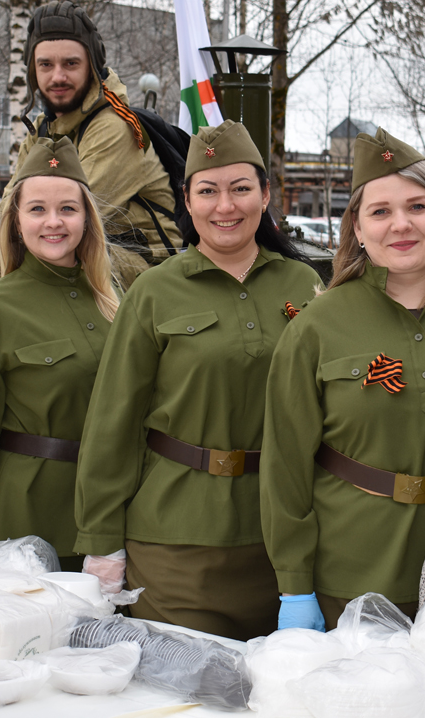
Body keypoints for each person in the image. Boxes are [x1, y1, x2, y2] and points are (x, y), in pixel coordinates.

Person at [74, 120, 321, 641]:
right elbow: (112, 422)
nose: (225, 206)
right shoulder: (154, 292)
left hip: (282, 544)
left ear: (266, 195)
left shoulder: (305, 285)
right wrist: (101, 541)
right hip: (175, 543)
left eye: (240, 189)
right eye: (207, 191)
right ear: (187, 200)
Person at [260, 128, 425, 631]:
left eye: (417, 206)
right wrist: (295, 586)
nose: (401, 225)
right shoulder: (316, 327)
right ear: (359, 229)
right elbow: (285, 471)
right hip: (349, 575)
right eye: (380, 211)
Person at [0, 0, 177, 421]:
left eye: (71, 63)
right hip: (86, 248)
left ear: (93, 64)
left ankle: (55, 375)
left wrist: (28, 212)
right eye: (46, 64)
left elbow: (67, 216)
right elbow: (13, 215)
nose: (58, 76)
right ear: (33, 70)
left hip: (143, 267)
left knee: (54, 240)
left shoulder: (116, 126)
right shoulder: (45, 127)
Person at [0, 137, 119, 572]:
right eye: (37, 209)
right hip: (28, 530)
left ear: (87, 219)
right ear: (16, 222)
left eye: (68, 209)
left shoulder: (112, 304)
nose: (53, 222)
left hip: (111, 525)